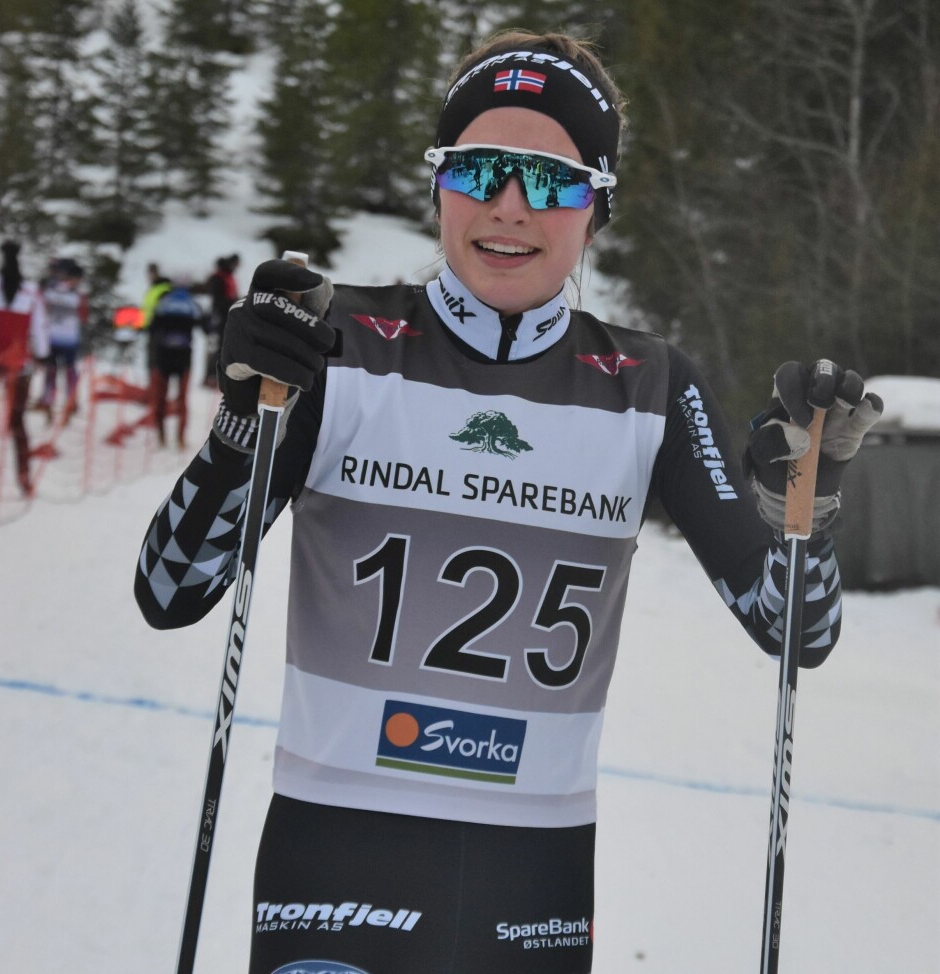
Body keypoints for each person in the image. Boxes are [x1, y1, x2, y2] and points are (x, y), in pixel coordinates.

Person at [134, 30, 883, 974]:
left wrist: (802, 501)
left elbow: (793, 635)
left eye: (554, 182)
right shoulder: (336, 344)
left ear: (597, 207)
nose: (511, 208)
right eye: (479, 170)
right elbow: (171, 594)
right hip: (335, 855)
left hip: (534, 885)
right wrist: (245, 419)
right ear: (438, 185)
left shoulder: (649, 385)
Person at [0, 240, 49, 494]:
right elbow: (39, 331)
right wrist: (41, 354)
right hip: (20, 364)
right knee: (18, 422)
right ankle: (24, 479)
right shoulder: (31, 292)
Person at [146, 277, 203, 449]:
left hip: (163, 356)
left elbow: (152, 328)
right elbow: (205, 326)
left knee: (160, 398)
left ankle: (161, 436)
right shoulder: (192, 305)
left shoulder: (163, 303)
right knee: (183, 399)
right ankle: (180, 439)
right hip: (184, 357)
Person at [37, 258, 88, 423]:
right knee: (65, 373)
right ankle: (64, 404)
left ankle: (53, 404)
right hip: (65, 340)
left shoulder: (51, 289)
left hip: (56, 339)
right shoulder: (77, 295)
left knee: (55, 373)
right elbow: (84, 316)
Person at [202, 253, 240, 388]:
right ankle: (210, 376)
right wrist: (233, 303)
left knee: (222, 348)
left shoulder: (226, 276)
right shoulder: (219, 278)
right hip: (220, 318)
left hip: (226, 318)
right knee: (218, 347)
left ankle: (215, 376)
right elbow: (218, 301)